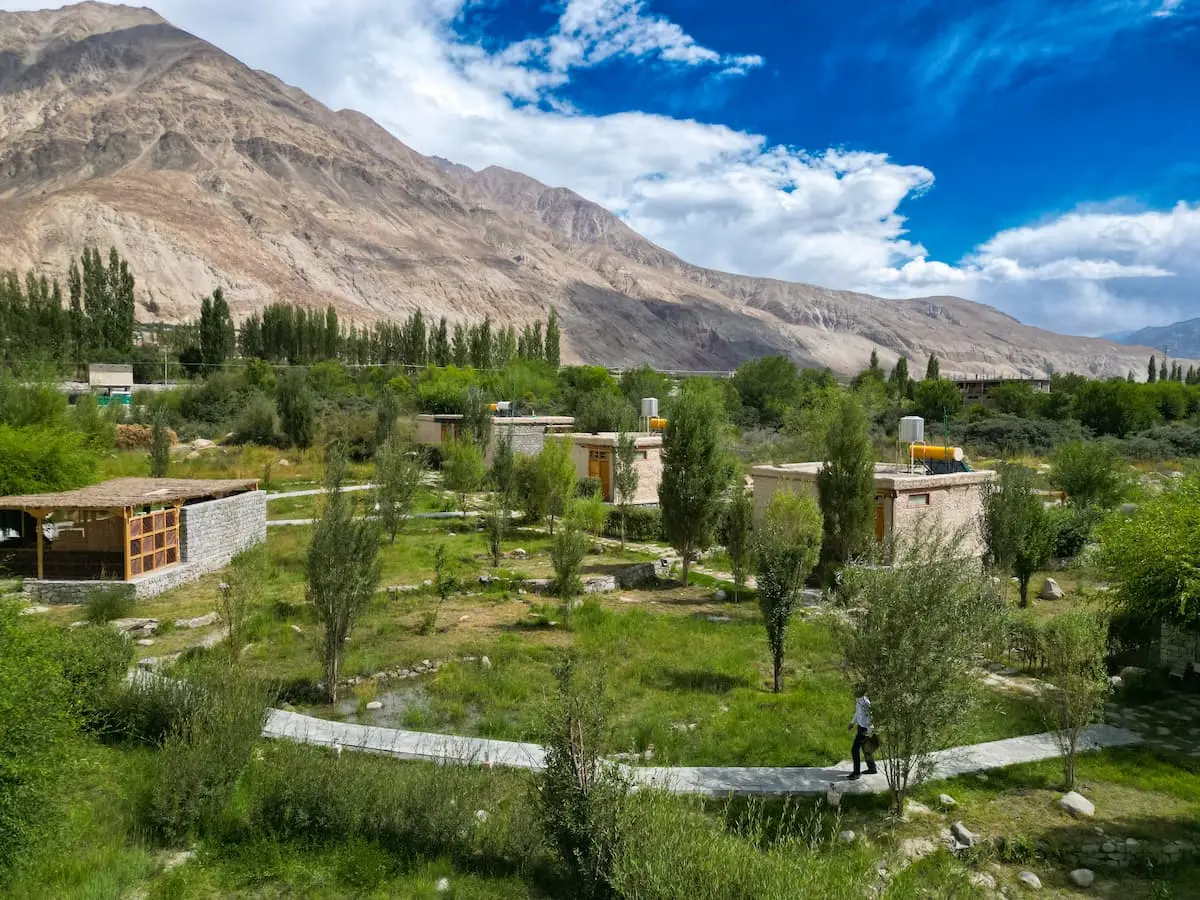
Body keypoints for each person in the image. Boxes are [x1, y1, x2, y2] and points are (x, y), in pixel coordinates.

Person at [847, 685, 877, 780]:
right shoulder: (859, 701)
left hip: (865, 729)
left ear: (862, 691)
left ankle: (856, 773)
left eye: (857, 689)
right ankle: (872, 768)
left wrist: (869, 732)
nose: (854, 691)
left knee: (854, 749)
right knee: (866, 748)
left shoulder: (865, 702)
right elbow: (858, 713)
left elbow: (870, 717)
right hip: (861, 727)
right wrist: (852, 723)